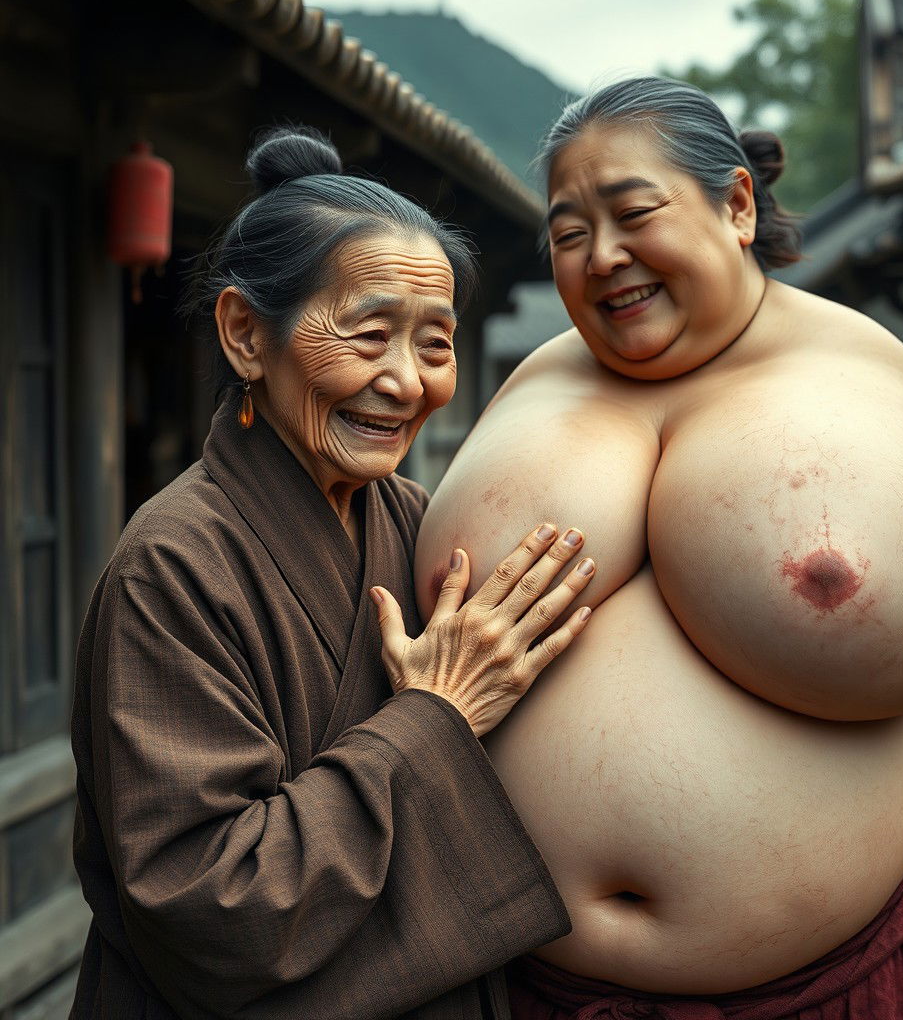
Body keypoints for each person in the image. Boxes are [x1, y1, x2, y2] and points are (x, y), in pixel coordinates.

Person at [414, 78, 903, 1018]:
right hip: (520, 983)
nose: (603, 257)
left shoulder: (859, 374)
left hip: (830, 985)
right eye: (568, 234)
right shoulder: (531, 382)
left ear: (735, 205)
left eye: (632, 213)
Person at [70, 126, 595, 1019]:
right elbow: (212, 902)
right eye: (368, 334)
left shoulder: (419, 519)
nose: (406, 381)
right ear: (244, 335)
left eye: (435, 344)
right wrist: (437, 717)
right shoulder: (174, 566)